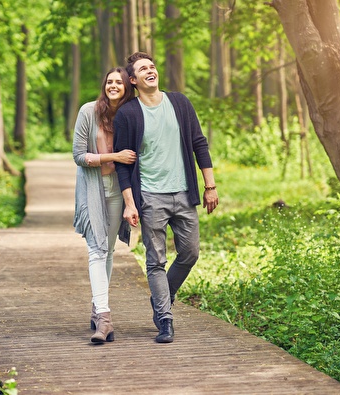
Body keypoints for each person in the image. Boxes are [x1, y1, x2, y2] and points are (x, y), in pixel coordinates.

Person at [113, 52, 219, 343]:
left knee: (190, 253)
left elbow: (199, 143)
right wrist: (130, 202)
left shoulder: (180, 102)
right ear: (133, 80)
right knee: (155, 260)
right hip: (150, 197)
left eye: (153, 66)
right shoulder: (128, 114)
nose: (151, 71)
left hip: (184, 193)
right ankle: (165, 319)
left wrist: (210, 185)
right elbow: (123, 164)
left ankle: (162, 297)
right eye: (143, 69)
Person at [73, 67, 136, 344]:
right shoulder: (89, 111)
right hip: (92, 189)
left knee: (108, 250)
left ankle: (97, 307)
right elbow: (78, 155)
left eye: (118, 82)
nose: (113, 86)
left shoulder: (130, 114)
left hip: (118, 189)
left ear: (126, 88)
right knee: (96, 250)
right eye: (109, 81)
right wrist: (115, 156)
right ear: (104, 85)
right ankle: (105, 318)